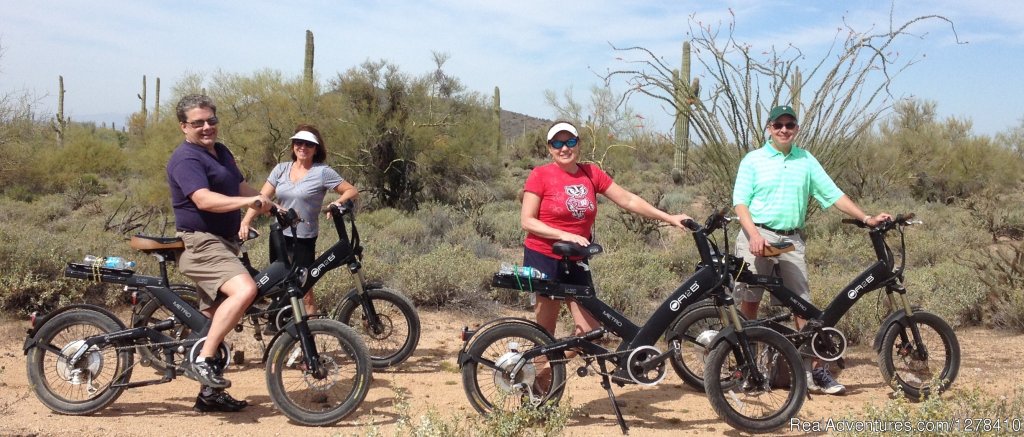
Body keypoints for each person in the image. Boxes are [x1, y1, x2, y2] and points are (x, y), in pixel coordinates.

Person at [732, 104, 891, 396]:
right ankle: (748, 371)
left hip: (790, 240)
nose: (783, 130)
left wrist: (865, 218)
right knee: (749, 303)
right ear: (768, 128)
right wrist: (753, 234)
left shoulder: (805, 160)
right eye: (778, 125)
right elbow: (740, 202)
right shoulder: (753, 160)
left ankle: (814, 371)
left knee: (802, 306)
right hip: (758, 236)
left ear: (796, 129)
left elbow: (834, 194)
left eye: (789, 125)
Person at [521, 120, 693, 338]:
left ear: (578, 144)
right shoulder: (540, 175)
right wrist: (565, 234)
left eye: (570, 141)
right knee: (545, 333)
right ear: (549, 148)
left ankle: (550, 368)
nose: (564, 148)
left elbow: (628, 200)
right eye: (557, 143)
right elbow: (527, 221)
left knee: (590, 331)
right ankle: (544, 369)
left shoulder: (591, 173)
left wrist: (668, 217)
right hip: (544, 256)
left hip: (576, 259)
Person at [166, 94, 272, 412]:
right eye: (198, 123)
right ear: (184, 126)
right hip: (201, 242)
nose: (207, 127)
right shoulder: (186, 159)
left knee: (215, 318)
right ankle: (203, 359)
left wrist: (275, 204)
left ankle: (208, 395)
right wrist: (247, 205)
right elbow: (204, 200)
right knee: (246, 290)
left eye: (211, 120)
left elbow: (239, 188)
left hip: (223, 241)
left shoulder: (220, 152)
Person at [239, 124, 359, 315]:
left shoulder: (322, 172)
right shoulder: (281, 169)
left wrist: (338, 202)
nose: (303, 147)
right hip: (279, 235)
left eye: (308, 144)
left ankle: (310, 331)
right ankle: (279, 325)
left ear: (316, 148)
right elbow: (261, 199)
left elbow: (352, 190)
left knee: (305, 288)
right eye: (298, 143)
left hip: (304, 237)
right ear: (293, 146)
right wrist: (246, 222)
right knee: (280, 285)